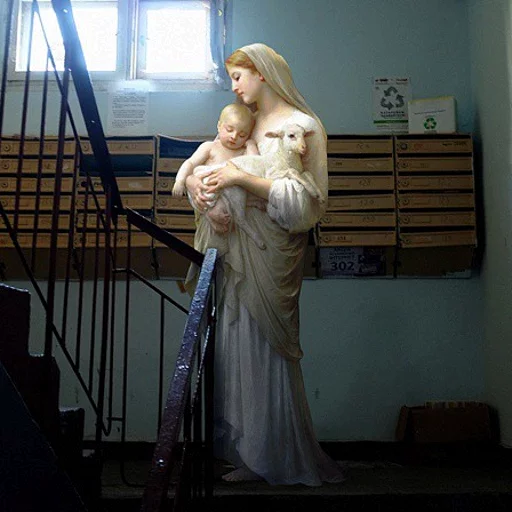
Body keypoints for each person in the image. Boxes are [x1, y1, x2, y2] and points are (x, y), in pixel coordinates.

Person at [185, 43, 345, 486]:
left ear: (262, 73)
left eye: (238, 77)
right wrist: (198, 185)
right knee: (235, 346)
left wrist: (239, 177)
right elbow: (213, 164)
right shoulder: (246, 124)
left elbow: (302, 209)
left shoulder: (302, 126)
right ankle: (251, 453)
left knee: (266, 351)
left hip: (272, 255)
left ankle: (275, 455)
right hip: (236, 251)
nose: (234, 87)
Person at [172, 103, 259, 239]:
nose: (234, 136)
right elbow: (191, 163)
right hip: (210, 196)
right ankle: (212, 217)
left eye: (242, 135)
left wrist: (251, 145)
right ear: (219, 126)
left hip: (232, 200)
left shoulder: (243, 152)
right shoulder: (210, 147)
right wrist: (180, 180)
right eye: (229, 130)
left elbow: (255, 165)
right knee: (211, 202)